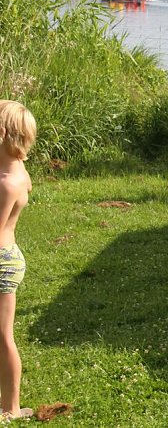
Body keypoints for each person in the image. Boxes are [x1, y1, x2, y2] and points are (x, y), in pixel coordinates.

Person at [0, 100, 36, 421]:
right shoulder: (19, 172)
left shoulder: (6, 185)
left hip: (1, 262)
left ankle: (11, 408)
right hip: (9, 256)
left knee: (4, 337)